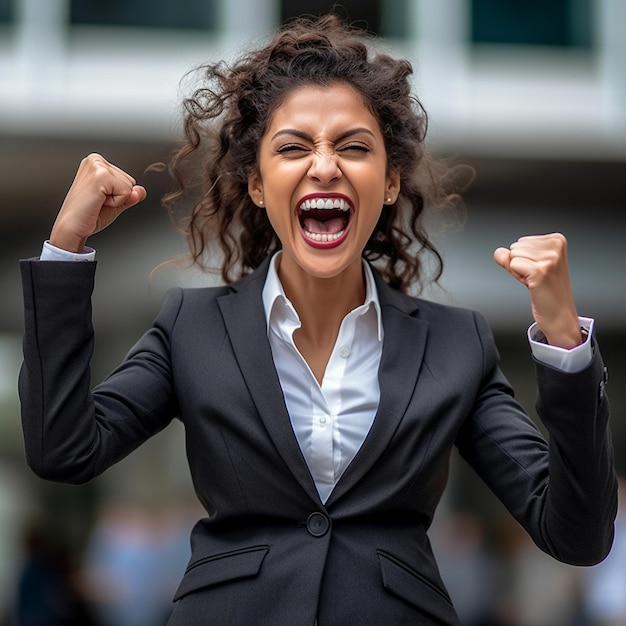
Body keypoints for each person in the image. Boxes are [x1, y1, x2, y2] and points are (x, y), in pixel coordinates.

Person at [18, 14, 617, 625]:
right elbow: (65, 450)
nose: (325, 166)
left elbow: (576, 534)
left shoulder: (455, 344)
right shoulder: (191, 327)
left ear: (388, 183)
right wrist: (65, 249)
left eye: (354, 147)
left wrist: (565, 343)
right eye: (294, 147)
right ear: (256, 184)